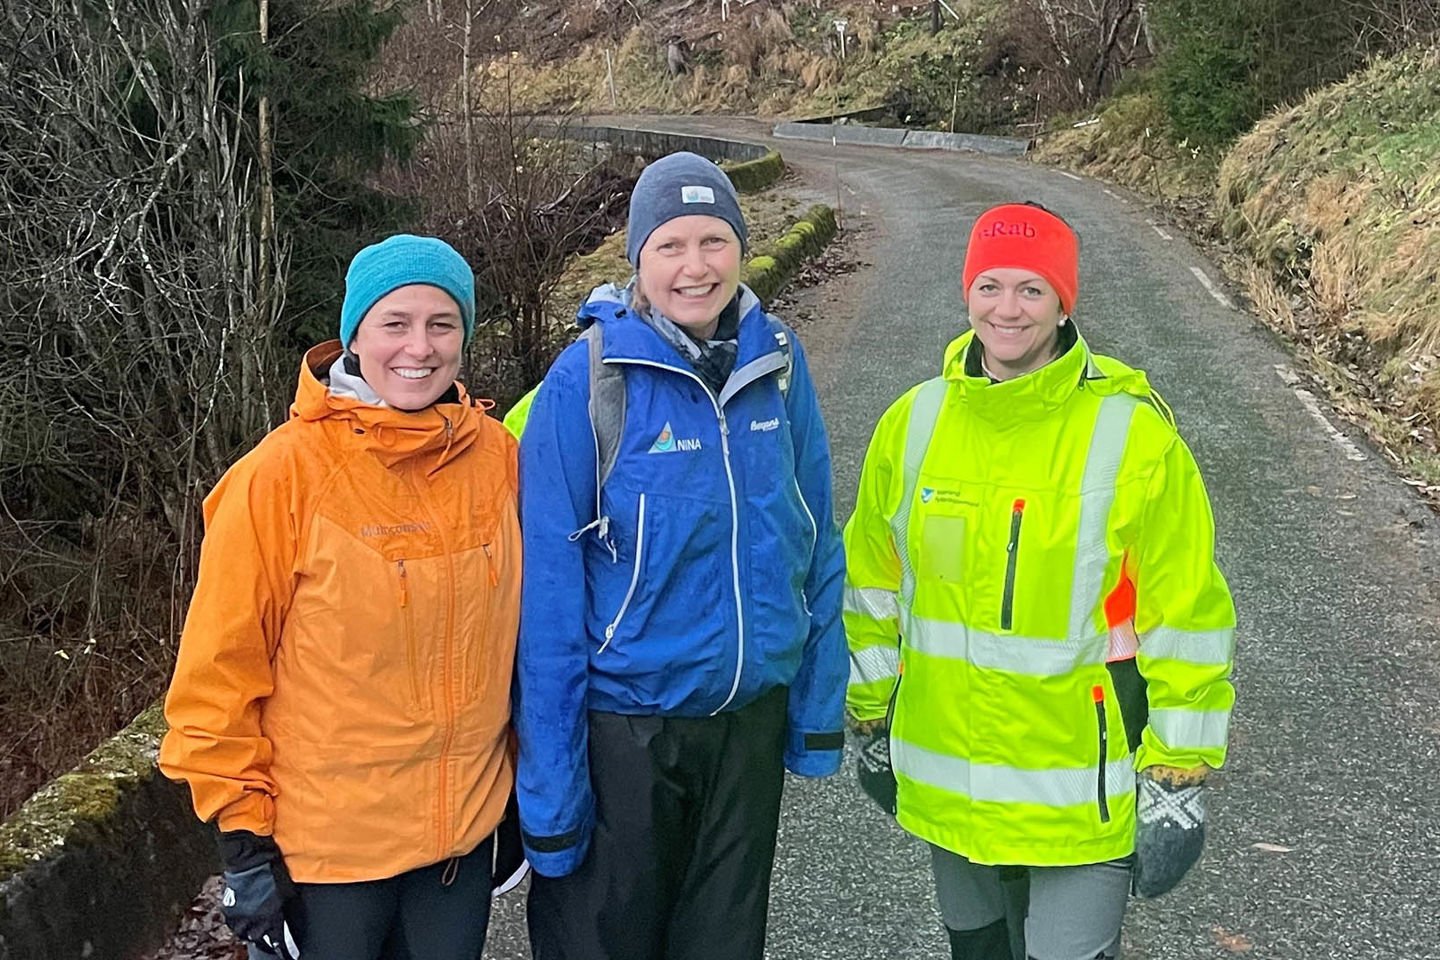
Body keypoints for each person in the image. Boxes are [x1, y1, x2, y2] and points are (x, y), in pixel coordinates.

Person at [844, 202, 1236, 960]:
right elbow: (872, 584)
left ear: (1064, 303)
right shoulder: (914, 423)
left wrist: (1178, 769)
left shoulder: (1131, 435)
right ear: (966, 293)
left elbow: (1185, 610)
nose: (1007, 309)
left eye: (1032, 289)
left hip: (1077, 791)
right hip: (947, 777)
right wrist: (869, 714)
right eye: (990, 285)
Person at [514, 151, 847, 960]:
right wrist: (552, 800)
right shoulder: (588, 380)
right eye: (670, 246)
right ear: (637, 259)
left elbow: (814, 540)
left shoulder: (780, 365)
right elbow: (549, 604)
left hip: (745, 729)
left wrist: (815, 711)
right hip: (626, 734)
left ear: (740, 247)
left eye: (713, 242)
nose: (694, 267)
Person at [159, 235, 522, 960]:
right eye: (395, 323)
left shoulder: (498, 458)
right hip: (329, 858)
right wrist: (242, 841)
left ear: (465, 336)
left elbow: (525, 636)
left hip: (460, 843)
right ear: (354, 334)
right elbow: (216, 675)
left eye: (442, 323)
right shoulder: (279, 477)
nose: (418, 346)